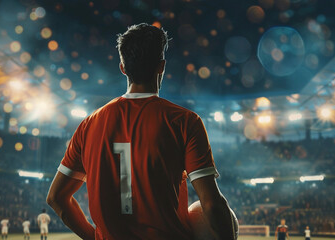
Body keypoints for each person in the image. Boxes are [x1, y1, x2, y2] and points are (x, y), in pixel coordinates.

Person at [47, 23, 235, 240]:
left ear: (123, 68)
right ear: (162, 66)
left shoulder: (89, 124)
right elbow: (211, 204)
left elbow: (56, 198)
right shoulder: (184, 121)